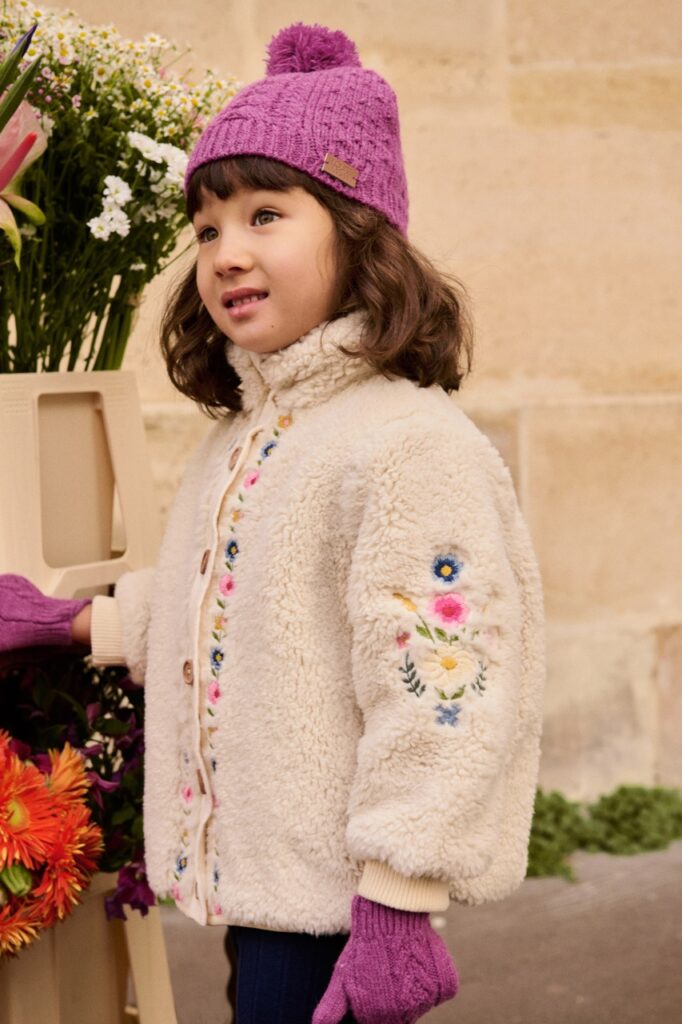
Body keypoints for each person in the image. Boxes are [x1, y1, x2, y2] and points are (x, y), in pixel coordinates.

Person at [0, 22, 545, 1024]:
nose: (227, 253)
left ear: (360, 232)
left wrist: (399, 901)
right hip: (266, 885)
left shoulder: (404, 445)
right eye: (207, 229)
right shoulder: (251, 435)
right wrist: (76, 622)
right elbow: (243, 609)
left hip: (339, 904)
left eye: (264, 214)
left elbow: (447, 690)